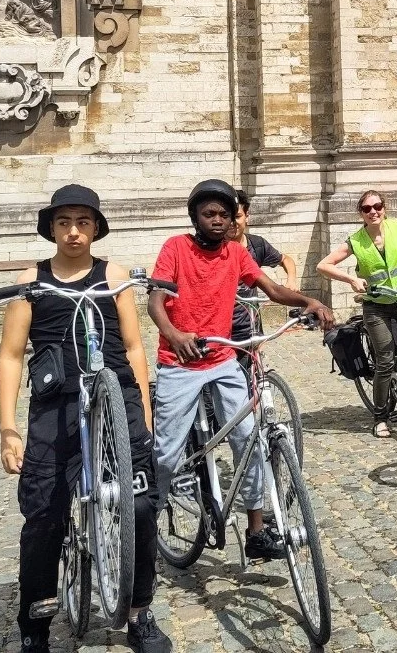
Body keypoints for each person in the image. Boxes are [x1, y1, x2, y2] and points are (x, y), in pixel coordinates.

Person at [0, 185, 172, 653]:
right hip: (56, 406)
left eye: (83, 222)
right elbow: (11, 356)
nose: (74, 232)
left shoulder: (111, 275)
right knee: (44, 515)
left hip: (117, 399)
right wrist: (8, 430)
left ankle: (138, 613)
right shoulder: (30, 280)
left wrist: (144, 418)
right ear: (52, 229)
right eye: (64, 223)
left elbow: (134, 348)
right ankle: (35, 626)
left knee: (141, 506)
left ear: (95, 228)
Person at [149, 179, 334, 562]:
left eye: (224, 214)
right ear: (195, 217)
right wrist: (174, 333)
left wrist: (308, 300)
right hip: (179, 363)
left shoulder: (235, 254)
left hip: (222, 359)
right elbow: (156, 301)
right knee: (166, 454)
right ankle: (145, 525)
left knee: (249, 440)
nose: (217, 220)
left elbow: (271, 289)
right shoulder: (175, 247)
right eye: (209, 214)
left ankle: (255, 531)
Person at [316, 190, 397, 439]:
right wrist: (351, 278)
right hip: (375, 305)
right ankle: (380, 417)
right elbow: (323, 265)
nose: (373, 211)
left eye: (378, 206)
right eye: (367, 208)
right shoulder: (357, 240)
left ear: (384, 207)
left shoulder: (396, 226)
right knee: (385, 359)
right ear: (361, 213)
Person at [229, 188, 298, 345]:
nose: (233, 223)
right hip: (223, 326)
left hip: (250, 323)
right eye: (228, 217)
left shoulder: (257, 245)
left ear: (247, 217)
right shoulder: (215, 249)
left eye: (237, 217)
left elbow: (286, 259)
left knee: (255, 365)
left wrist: (291, 281)